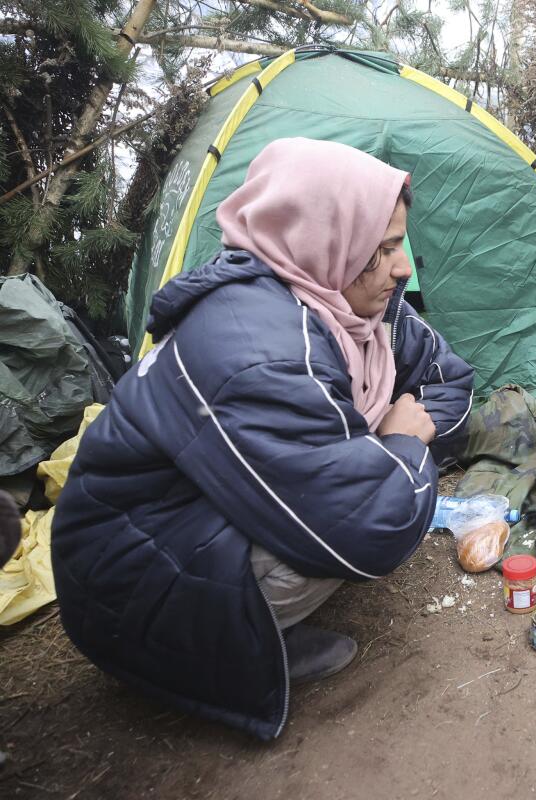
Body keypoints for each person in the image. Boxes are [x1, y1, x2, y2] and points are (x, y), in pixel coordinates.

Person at [50, 138, 473, 740]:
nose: (403, 266)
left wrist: (389, 446)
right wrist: (402, 446)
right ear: (326, 240)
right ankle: (227, 648)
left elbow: (449, 378)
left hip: (176, 532)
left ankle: (245, 621)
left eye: (398, 244)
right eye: (383, 249)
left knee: (360, 490)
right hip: (123, 587)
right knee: (355, 523)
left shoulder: (347, 305)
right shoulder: (257, 345)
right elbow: (367, 527)